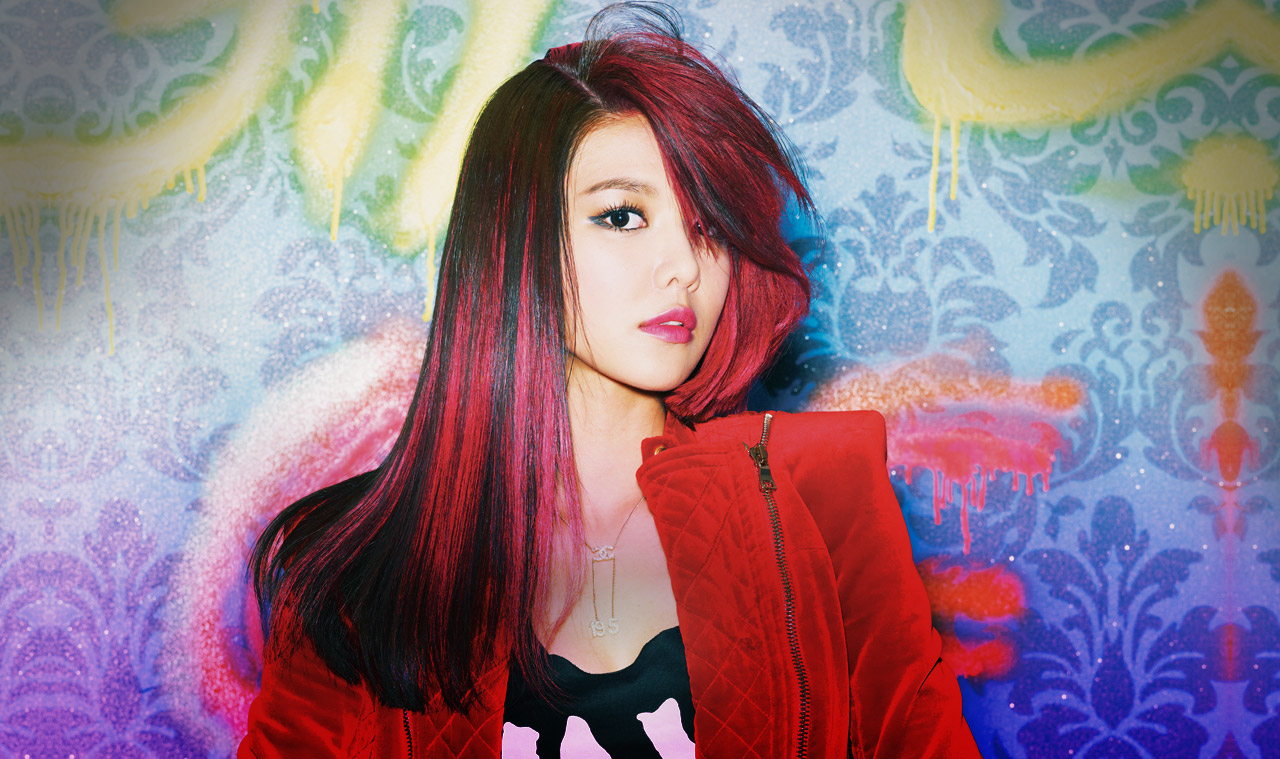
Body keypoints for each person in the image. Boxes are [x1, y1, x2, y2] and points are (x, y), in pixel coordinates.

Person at [238, 3, 983, 757]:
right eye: (623, 216)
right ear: (514, 239)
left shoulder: (820, 496)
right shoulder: (356, 571)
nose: (684, 267)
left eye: (709, 226)